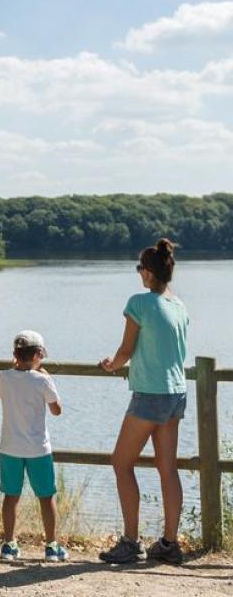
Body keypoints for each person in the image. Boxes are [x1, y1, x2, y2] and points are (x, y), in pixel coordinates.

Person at [99, 238, 188, 566]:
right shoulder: (179, 306)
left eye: (140, 269)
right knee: (168, 469)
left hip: (150, 393)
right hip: (176, 393)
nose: (139, 274)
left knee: (121, 462)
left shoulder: (139, 302)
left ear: (148, 273)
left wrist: (112, 365)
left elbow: (126, 349)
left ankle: (131, 542)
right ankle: (169, 543)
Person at [0, 330, 68, 563]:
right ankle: (52, 546)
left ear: (15, 354)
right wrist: (47, 378)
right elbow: (57, 410)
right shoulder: (43, 380)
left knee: (11, 496)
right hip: (38, 448)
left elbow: (6, 392)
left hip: (9, 447)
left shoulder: (3, 377)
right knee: (46, 497)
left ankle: (9, 544)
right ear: (38, 355)